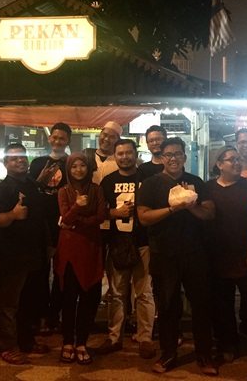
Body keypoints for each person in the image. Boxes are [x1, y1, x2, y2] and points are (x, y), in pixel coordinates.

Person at [137, 137, 218, 376]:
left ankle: (204, 355)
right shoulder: (151, 184)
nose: (173, 158)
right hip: (164, 254)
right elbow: (143, 217)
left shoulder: (195, 182)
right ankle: (168, 354)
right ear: (162, 158)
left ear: (184, 156)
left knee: (201, 306)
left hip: (195, 253)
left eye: (178, 154)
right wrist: (173, 208)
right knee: (168, 306)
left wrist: (190, 204)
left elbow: (209, 213)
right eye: (169, 154)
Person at [0, 143, 51, 365]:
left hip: (33, 254)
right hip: (11, 256)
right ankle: (7, 346)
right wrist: (13, 215)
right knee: (8, 303)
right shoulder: (2, 191)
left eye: (23, 157)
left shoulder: (33, 187)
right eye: (14, 158)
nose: (20, 161)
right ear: (6, 163)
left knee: (28, 301)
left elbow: (41, 219)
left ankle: (26, 340)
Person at [97, 138, 157, 359]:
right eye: (120, 153)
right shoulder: (108, 181)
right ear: (114, 155)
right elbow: (100, 212)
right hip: (118, 243)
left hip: (143, 242)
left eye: (128, 153)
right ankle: (114, 337)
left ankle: (145, 338)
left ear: (135, 153)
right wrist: (116, 213)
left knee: (144, 293)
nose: (124, 157)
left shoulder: (148, 179)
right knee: (117, 294)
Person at [55, 153, 107, 365]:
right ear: (68, 169)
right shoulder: (63, 191)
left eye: (82, 165)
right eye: (74, 166)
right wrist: (77, 207)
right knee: (68, 298)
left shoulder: (97, 189)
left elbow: (102, 216)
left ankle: (82, 342)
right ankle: (67, 341)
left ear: (89, 168)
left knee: (89, 297)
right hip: (68, 251)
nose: (78, 169)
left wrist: (77, 221)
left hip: (91, 248)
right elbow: (65, 217)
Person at [206, 146, 247, 363]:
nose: (236, 163)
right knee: (222, 304)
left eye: (238, 159)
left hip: (245, 254)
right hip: (218, 255)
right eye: (231, 160)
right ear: (219, 164)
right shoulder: (207, 189)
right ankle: (228, 344)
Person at [29, 121, 72, 332]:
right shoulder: (37, 163)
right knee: (40, 271)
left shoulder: (71, 164)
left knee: (61, 271)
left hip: (64, 224)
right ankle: (40, 314)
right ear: (49, 139)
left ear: (67, 141)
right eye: (54, 137)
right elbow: (31, 190)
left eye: (62, 138)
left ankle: (55, 314)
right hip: (40, 223)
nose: (57, 141)